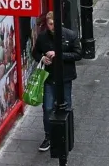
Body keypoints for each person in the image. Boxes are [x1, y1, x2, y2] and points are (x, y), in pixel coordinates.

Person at [31, 13, 79, 152]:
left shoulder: (70, 35)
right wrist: (42, 58)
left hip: (65, 77)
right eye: (50, 24)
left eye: (54, 24)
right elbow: (35, 53)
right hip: (49, 77)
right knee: (47, 108)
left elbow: (78, 54)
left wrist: (60, 55)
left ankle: (66, 133)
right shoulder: (42, 37)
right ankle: (48, 137)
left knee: (66, 106)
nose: (52, 27)